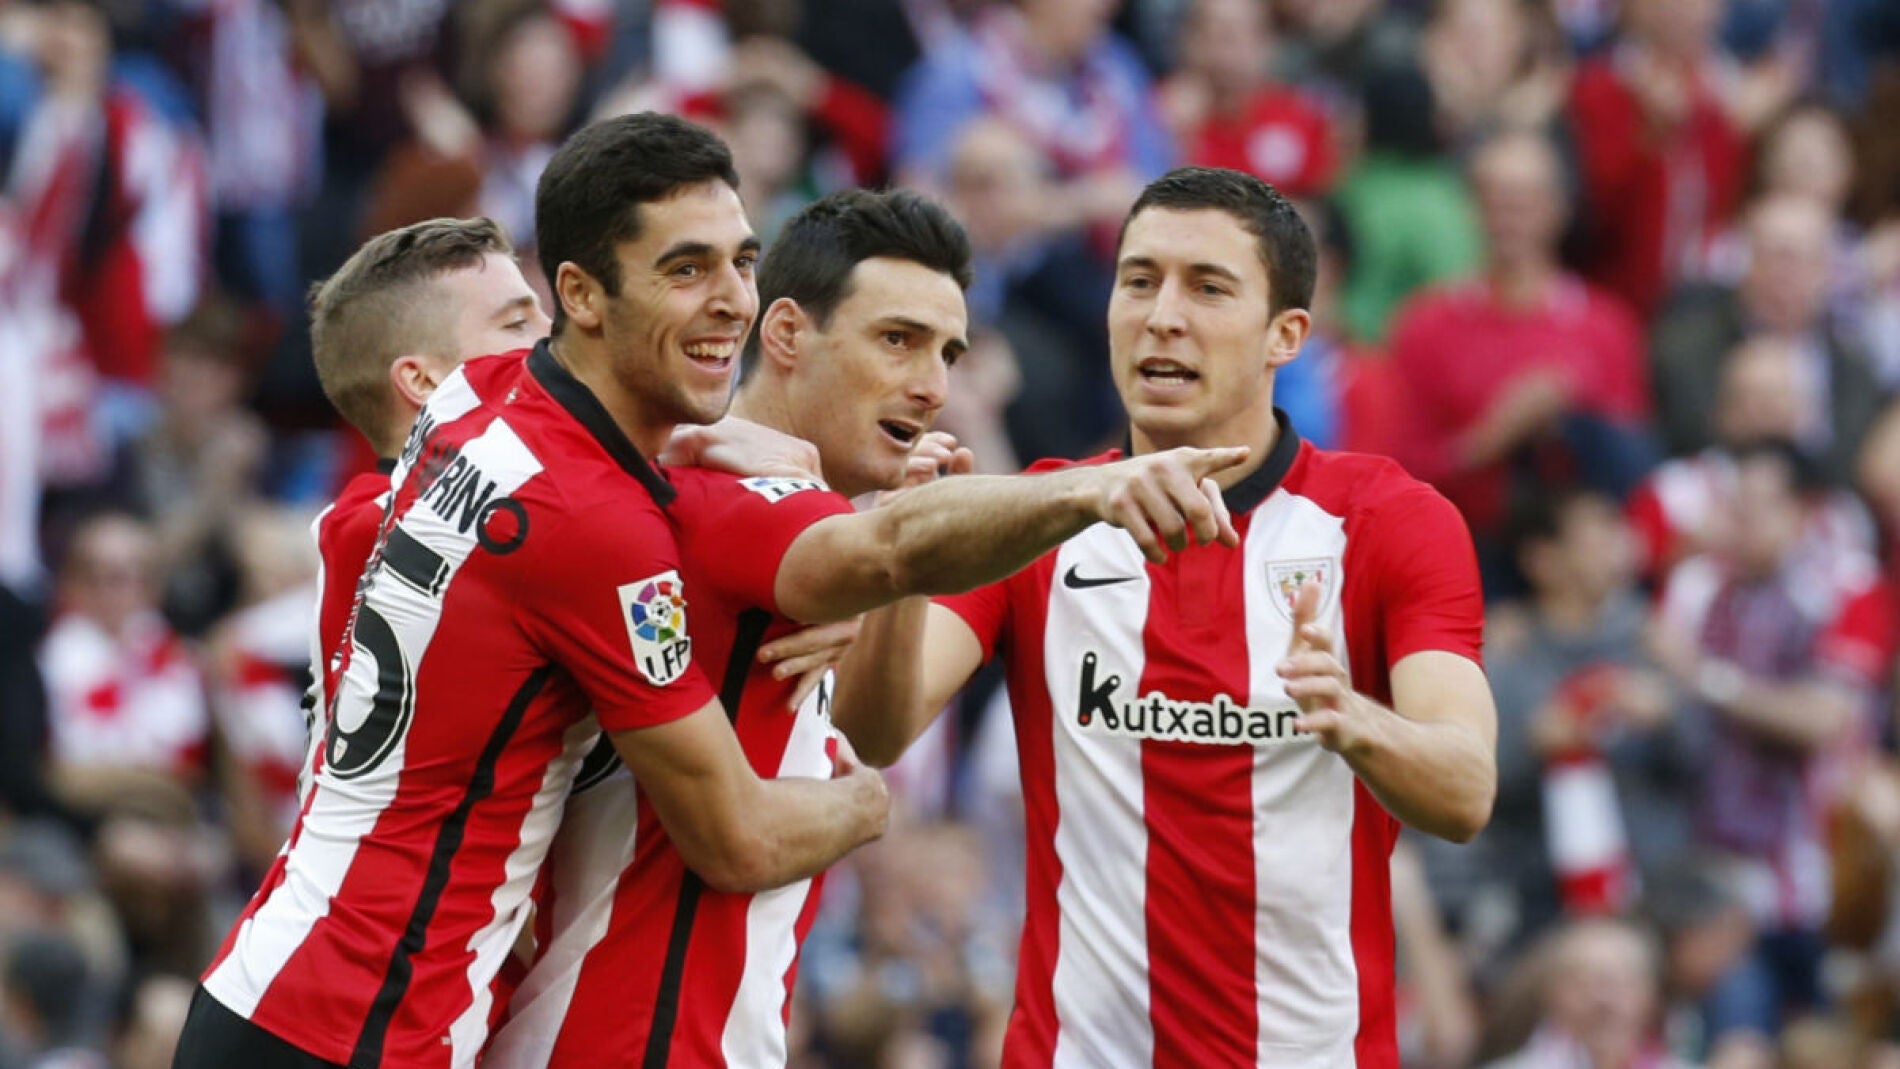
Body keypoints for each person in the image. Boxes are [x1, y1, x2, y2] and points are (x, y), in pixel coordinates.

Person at [173, 121, 885, 1069]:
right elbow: (739, 838)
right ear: (421, 380)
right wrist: (865, 801)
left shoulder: (397, 483)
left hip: (264, 986)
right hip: (373, 1025)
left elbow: (585, 437)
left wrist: (723, 446)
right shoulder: (569, 519)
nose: (547, 337)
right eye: (517, 322)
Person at [489, 182, 1254, 1064]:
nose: (930, 386)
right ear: (782, 334)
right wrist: (1093, 487)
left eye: (949, 354)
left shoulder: (791, 526)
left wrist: (885, 573)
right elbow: (882, 575)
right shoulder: (722, 497)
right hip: (627, 1041)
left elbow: (875, 727)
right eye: (898, 341)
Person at [834, 166, 1500, 1067]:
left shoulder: (1389, 521)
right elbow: (874, 728)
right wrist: (906, 559)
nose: (1162, 314)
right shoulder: (1037, 518)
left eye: (1208, 287)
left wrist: (1355, 718)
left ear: (1286, 335)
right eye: (1139, 279)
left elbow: (1464, 789)